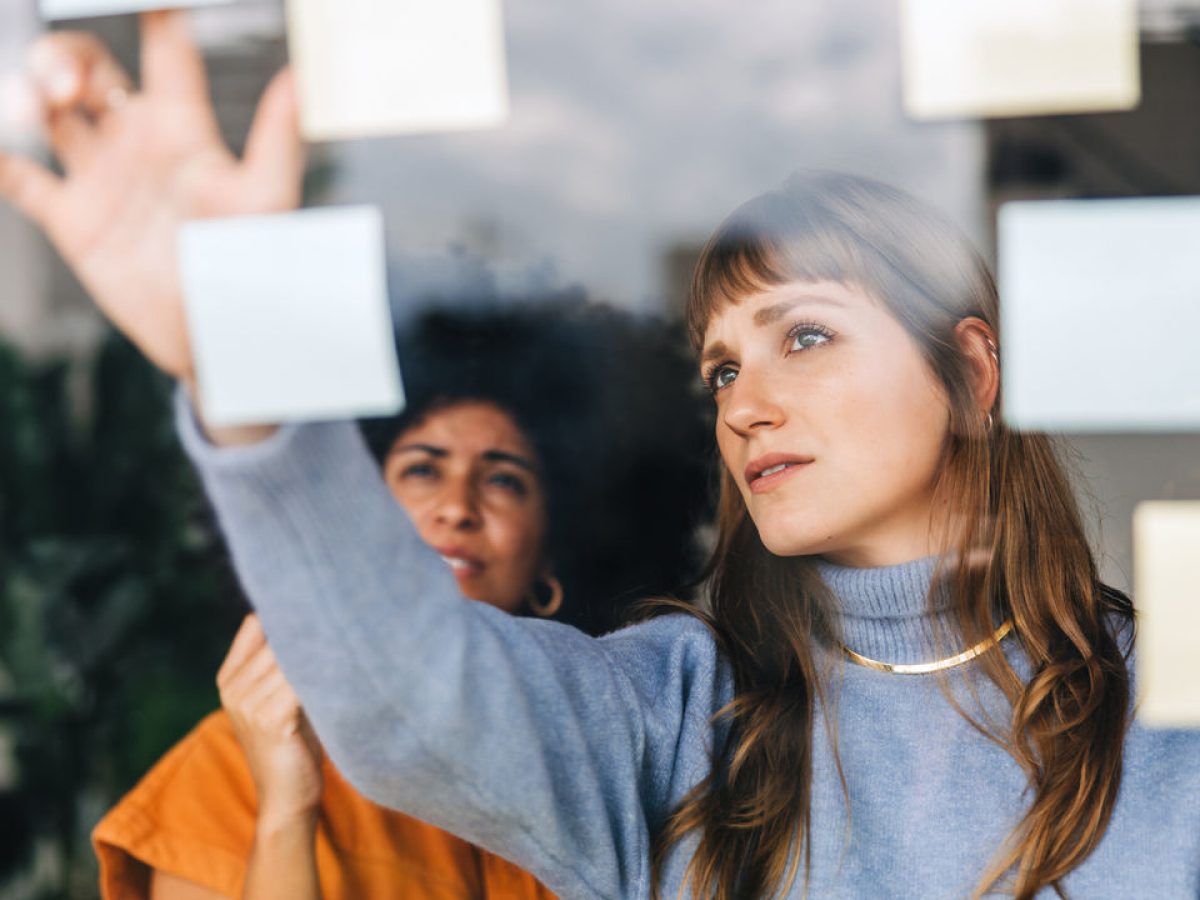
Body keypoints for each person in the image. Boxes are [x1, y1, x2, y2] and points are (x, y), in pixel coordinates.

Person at [4, 12, 1200, 900]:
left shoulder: (1168, 708)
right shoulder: (674, 713)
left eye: (806, 335)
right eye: (723, 367)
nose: (745, 405)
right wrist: (241, 366)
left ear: (972, 376)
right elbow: (407, 694)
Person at [88, 300, 714, 899]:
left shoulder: (614, 762)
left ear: (552, 562)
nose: (457, 506)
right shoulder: (224, 770)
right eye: (422, 468)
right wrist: (286, 807)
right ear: (357, 520)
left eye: (503, 479)